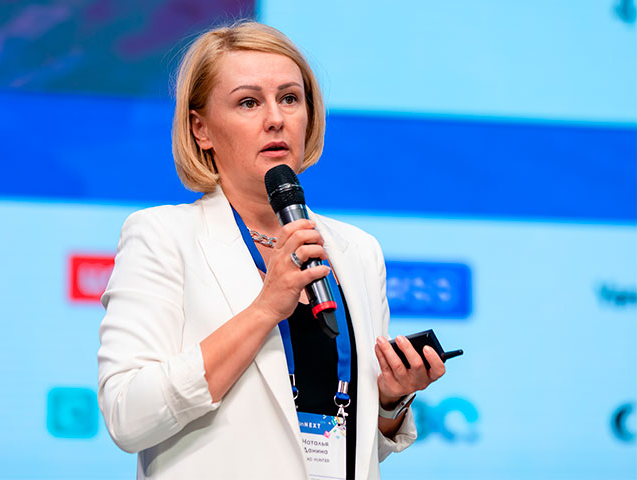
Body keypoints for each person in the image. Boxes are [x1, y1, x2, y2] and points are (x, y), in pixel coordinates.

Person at [97, 20, 446, 480]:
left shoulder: (357, 250)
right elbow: (128, 415)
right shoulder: (162, 236)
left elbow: (349, 442)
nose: (276, 118)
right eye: (248, 102)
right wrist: (265, 309)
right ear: (201, 129)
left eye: (289, 98)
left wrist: (390, 400)